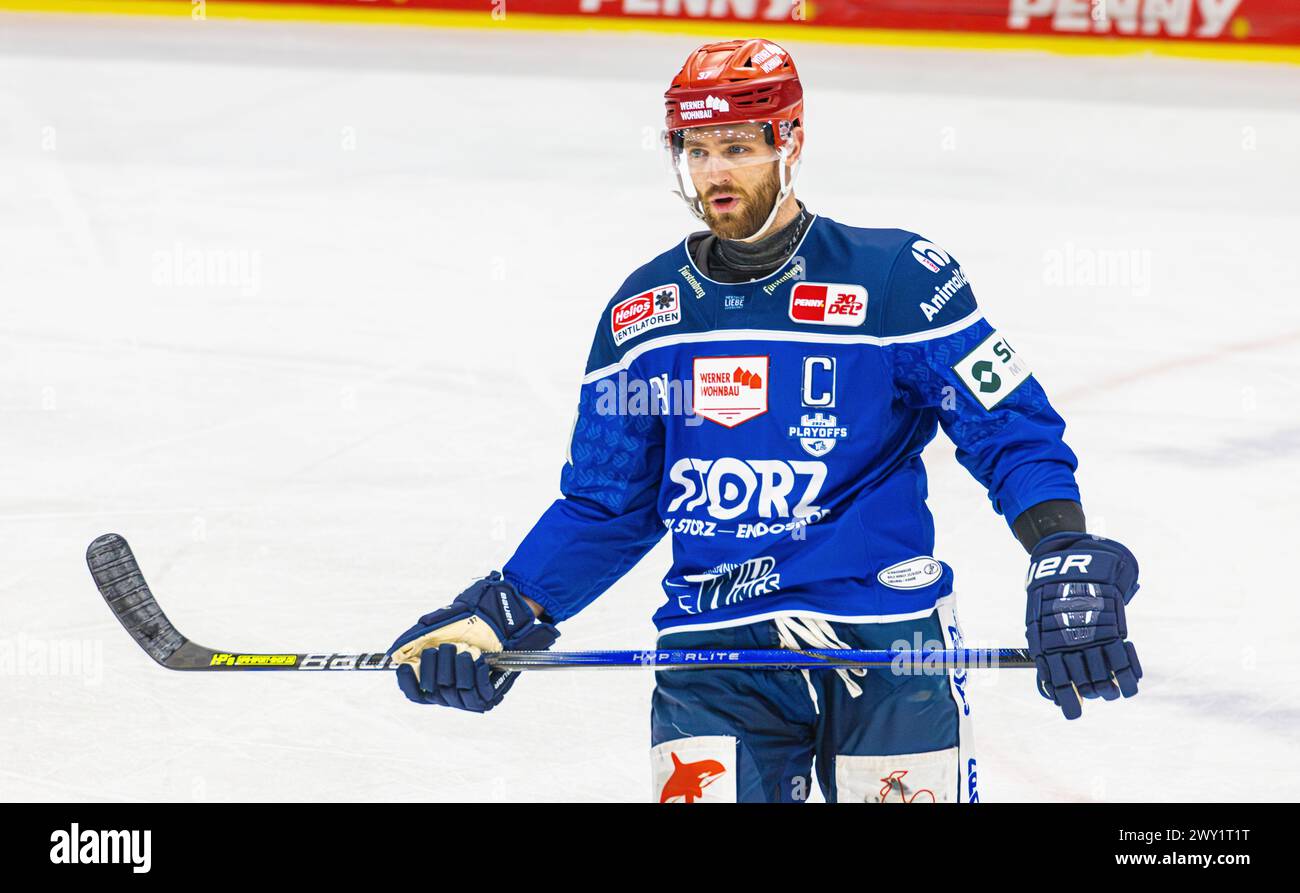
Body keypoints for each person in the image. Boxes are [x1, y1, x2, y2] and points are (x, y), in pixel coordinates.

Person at [388, 38, 1142, 803]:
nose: (715, 173)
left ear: (792, 142)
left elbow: (1008, 426)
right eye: (697, 148)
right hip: (713, 656)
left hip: (885, 641)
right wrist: (500, 612)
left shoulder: (895, 280)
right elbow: (606, 502)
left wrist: (1062, 550)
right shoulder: (644, 315)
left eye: (741, 147)